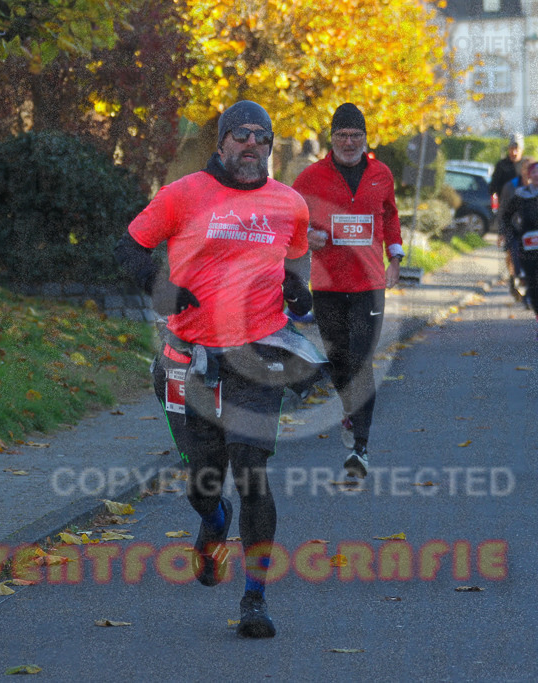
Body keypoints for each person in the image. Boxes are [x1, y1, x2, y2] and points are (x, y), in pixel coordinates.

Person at [113, 100, 326, 639]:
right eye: (240, 135)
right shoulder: (183, 195)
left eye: (262, 136)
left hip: (257, 357)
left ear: (271, 146)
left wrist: (296, 286)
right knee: (205, 483)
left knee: (252, 471)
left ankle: (254, 599)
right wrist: (162, 286)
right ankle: (212, 522)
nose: (251, 144)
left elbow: (295, 256)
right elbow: (129, 247)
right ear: (222, 143)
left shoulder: (289, 203)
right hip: (189, 360)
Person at [293, 103, 403, 479]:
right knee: (340, 359)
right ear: (332, 138)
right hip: (327, 284)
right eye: (342, 135)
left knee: (361, 358)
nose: (349, 142)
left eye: (356, 135)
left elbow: (389, 215)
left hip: (369, 283)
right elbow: (290, 220)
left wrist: (396, 257)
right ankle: (348, 410)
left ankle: (361, 447)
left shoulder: (381, 174)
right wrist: (307, 238)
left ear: (365, 138)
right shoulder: (310, 178)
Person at [505, 161, 538, 341]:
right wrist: (514, 233)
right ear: (529, 175)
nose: (536, 175)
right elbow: (506, 216)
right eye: (533, 172)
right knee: (534, 286)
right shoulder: (520, 196)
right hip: (527, 246)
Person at [490, 133, 525, 300]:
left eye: (517, 148)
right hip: (507, 214)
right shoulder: (502, 166)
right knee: (511, 251)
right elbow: (493, 188)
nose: (514, 152)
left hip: (525, 214)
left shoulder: (526, 166)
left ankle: (526, 280)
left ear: (522, 150)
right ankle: (513, 280)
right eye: (512, 148)